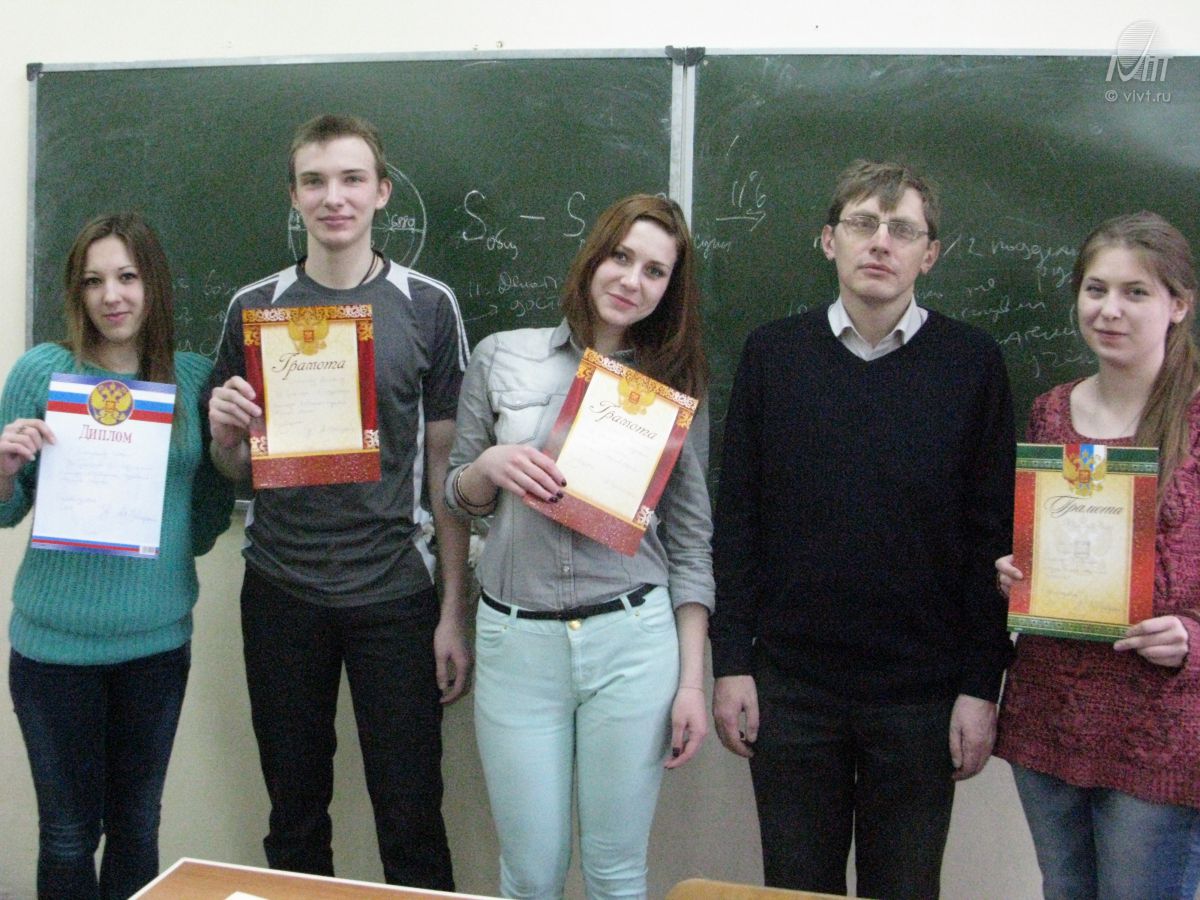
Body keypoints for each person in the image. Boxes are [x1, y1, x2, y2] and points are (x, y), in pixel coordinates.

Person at [709, 160, 1016, 899]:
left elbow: (993, 536)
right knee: (796, 890)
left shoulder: (974, 364)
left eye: (902, 229)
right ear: (828, 241)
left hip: (921, 697)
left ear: (929, 254)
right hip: (792, 689)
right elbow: (738, 520)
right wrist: (731, 662)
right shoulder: (771, 354)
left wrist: (982, 686)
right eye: (862, 224)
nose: (881, 242)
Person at [206, 114, 470, 889]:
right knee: (294, 815)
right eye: (315, 182)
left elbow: (446, 470)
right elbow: (234, 468)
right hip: (281, 591)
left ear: (382, 192)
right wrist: (225, 434)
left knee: (412, 816)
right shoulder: (254, 308)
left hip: (396, 593)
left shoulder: (429, 305)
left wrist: (453, 610)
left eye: (352, 179)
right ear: (293, 195)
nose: (334, 198)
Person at [445, 193, 713, 899]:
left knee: (615, 874)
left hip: (632, 644)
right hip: (517, 644)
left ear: (669, 290)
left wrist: (692, 682)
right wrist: (488, 468)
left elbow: (692, 543)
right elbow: (455, 496)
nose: (631, 280)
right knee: (530, 873)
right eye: (621, 257)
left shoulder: (673, 387)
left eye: (655, 271)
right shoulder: (503, 356)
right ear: (594, 257)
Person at [1, 212, 234, 899]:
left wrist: (222, 459)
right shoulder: (43, 372)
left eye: (128, 277)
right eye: (93, 280)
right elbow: (6, 510)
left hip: (155, 649)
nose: (112, 296)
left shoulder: (194, 381)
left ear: (152, 285)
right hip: (54, 652)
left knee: (137, 828)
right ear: (77, 292)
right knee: (68, 836)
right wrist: (5, 469)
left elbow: (202, 525)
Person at [995, 212, 1200, 900]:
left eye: (1135, 292)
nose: (1109, 310)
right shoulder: (1051, 413)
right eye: (1095, 289)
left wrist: (1192, 638)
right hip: (1049, 721)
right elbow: (1045, 547)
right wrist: (1017, 575)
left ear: (1179, 304)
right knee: (1063, 890)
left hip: (1161, 733)